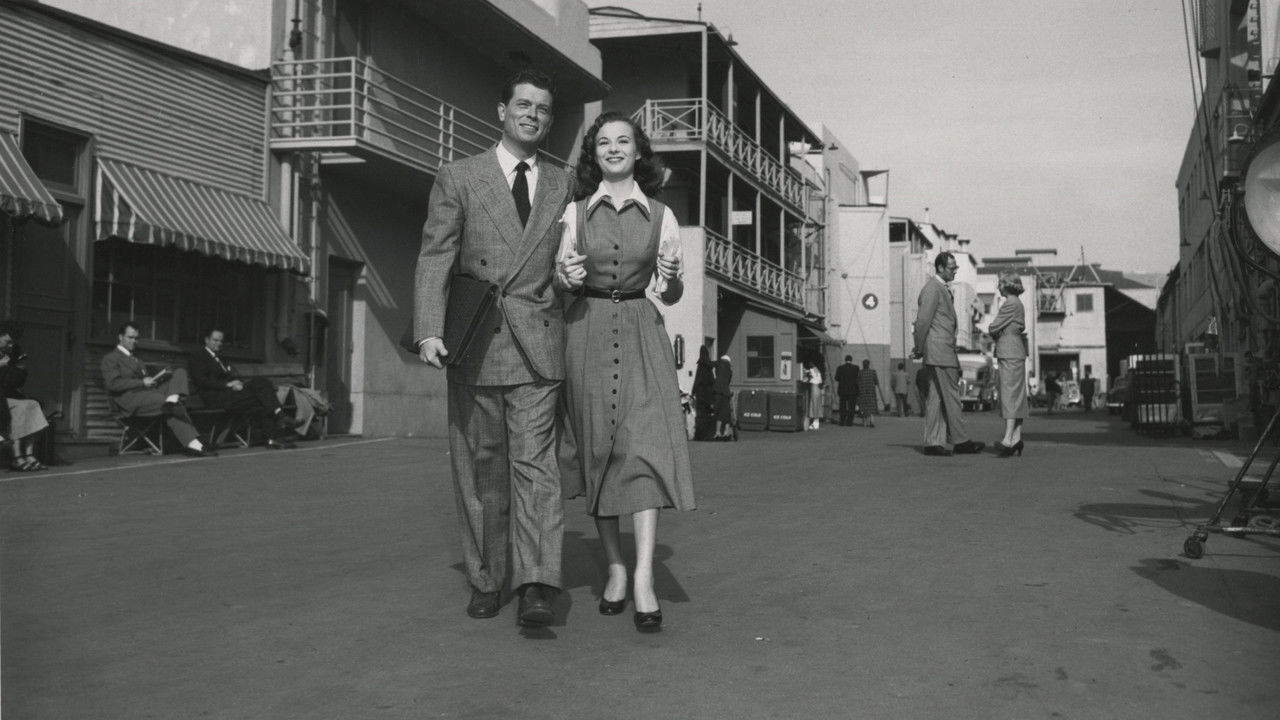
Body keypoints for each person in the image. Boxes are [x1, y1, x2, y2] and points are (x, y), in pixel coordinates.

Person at [412, 69, 572, 627]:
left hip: (539, 347)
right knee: (480, 469)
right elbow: (436, 255)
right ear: (502, 111)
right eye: (523, 105)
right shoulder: (459, 177)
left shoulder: (564, 184)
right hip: (476, 342)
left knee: (537, 470)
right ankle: (486, 578)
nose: (533, 115)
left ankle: (536, 584)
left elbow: (571, 258)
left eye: (543, 109)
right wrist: (429, 329)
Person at [556, 110, 695, 633]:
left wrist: (672, 279)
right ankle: (614, 566)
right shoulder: (573, 214)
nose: (614, 149)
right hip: (586, 331)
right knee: (600, 451)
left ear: (639, 152)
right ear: (594, 155)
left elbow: (671, 293)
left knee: (645, 449)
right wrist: (565, 278)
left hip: (641, 332)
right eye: (604, 143)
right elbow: (562, 281)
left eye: (623, 141)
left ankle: (642, 577)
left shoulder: (662, 216)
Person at [100, 322, 215, 457]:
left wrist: (157, 379)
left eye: (136, 338)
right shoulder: (111, 358)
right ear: (120, 337)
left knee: (179, 372)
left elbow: (145, 382)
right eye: (130, 337)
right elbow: (113, 384)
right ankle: (195, 443)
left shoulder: (137, 360)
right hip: (129, 400)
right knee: (168, 404)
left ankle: (172, 400)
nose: (134, 341)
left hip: (147, 395)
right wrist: (142, 382)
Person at [912, 252, 984, 456]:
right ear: (940, 268)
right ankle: (961, 440)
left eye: (956, 268)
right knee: (952, 396)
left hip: (938, 351)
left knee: (936, 398)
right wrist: (919, 348)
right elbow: (922, 322)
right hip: (941, 351)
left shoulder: (939, 288)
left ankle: (933, 443)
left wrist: (921, 348)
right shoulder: (933, 288)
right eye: (952, 268)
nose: (955, 271)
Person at [188, 328, 303, 449]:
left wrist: (238, 383)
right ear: (206, 340)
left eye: (221, 341)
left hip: (229, 394)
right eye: (215, 340)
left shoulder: (220, 358)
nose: (219, 343)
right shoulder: (198, 356)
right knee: (263, 394)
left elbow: (229, 376)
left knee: (263, 390)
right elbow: (201, 380)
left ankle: (275, 433)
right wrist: (227, 385)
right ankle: (278, 425)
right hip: (215, 397)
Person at [987, 272, 1029, 457]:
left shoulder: (1009, 303)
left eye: (1000, 283)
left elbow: (993, 327)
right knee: (1017, 395)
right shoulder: (1018, 303)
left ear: (1007, 285)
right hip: (1016, 351)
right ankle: (1016, 438)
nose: (998, 287)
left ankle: (1007, 438)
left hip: (1008, 351)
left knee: (1009, 394)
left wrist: (998, 330)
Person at [0, 323, 49, 471]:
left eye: (12, 342)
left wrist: (16, 367)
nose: (10, 345)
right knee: (19, 410)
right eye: (7, 342)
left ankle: (28, 454)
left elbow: (17, 380)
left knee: (33, 405)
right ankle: (16, 456)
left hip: (7, 395)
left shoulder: (13, 352)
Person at [692, 344, 716, 440]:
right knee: (708, 414)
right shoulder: (709, 366)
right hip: (708, 394)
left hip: (700, 394)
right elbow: (712, 380)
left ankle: (700, 435)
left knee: (700, 415)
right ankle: (708, 434)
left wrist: (693, 391)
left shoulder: (700, 365)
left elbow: (697, 379)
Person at [856, 359, 884, 428]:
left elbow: (857, 383)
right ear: (869, 364)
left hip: (862, 392)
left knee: (863, 407)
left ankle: (865, 423)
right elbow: (876, 382)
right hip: (871, 392)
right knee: (871, 407)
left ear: (863, 365)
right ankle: (872, 421)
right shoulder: (873, 372)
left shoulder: (860, 372)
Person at [713, 354, 734, 440]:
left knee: (718, 412)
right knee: (727, 412)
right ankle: (726, 431)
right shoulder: (729, 370)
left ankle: (717, 432)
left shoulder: (717, 367)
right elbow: (728, 381)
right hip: (726, 393)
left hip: (717, 391)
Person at [834, 355, 859, 426]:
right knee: (851, 407)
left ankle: (842, 421)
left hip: (842, 390)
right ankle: (849, 422)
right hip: (853, 390)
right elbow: (858, 378)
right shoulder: (856, 368)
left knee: (842, 407)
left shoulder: (840, 368)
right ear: (851, 360)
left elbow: (836, 378)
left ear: (845, 360)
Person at [802, 360, 823, 430]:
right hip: (818, 389)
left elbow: (806, 377)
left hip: (814, 388)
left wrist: (804, 373)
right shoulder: (817, 370)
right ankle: (816, 422)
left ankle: (815, 423)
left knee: (814, 405)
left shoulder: (812, 370)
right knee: (817, 405)